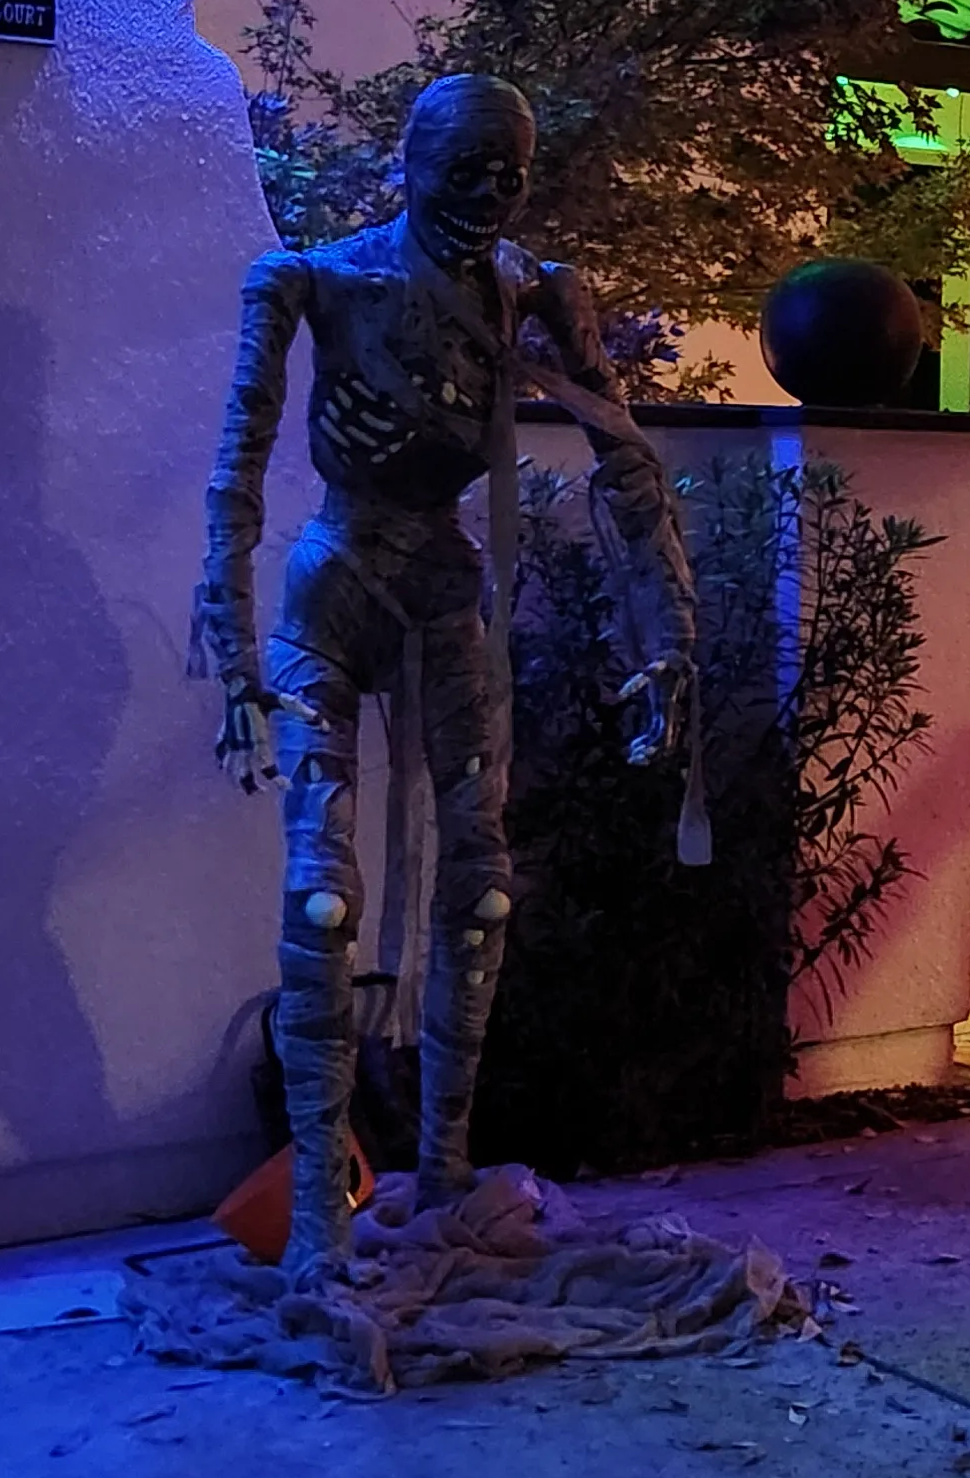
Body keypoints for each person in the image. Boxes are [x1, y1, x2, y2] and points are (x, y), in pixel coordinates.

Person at [193, 76, 695, 1282]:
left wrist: (665, 632)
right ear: (411, 161)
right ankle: (318, 1207)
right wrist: (233, 646)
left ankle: (449, 1173)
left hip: (441, 590)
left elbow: (626, 469)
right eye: (465, 165)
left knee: (483, 888)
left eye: (508, 171)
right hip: (337, 583)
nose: (488, 193)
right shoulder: (315, 280)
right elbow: (238, 471)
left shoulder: (534, 292)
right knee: (323, 894)